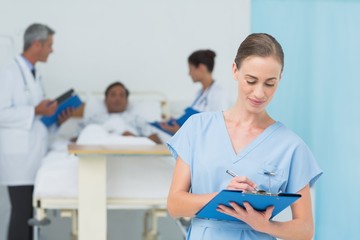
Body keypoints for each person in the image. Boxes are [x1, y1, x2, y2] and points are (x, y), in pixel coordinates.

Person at [166, 33, 323, 239]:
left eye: (270, 83)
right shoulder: (198, 128)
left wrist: (266, 226)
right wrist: (222, 198)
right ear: (235, 71)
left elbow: (305, 230)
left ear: (280, 79)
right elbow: (175, 205)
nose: (259, 93)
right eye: (251, 80)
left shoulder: (291, 146)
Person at [0, 23, 71, 240]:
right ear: (37, 44)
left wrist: (56, 120)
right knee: (22, 213)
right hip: (18, 159)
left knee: (29, 215)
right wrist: (34, 110)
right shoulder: (8, 73)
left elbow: (37, 119)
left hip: (33, 154)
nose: (52, 50)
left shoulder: (34, 75)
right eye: (49, 45)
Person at [159, 49, 229, 135]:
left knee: (154, 136)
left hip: (199, 141)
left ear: (201, 68)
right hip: (187, 136)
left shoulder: (218, 93)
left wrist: (181, 131)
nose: (189, 73)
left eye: (190, 69)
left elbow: (218, 127)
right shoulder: (199, 93)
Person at [83, 81, 162, 144]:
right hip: (97, 153)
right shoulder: (93, 120)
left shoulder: (136, 119)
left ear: (127, 101)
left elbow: (156, 140)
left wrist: (134, 139)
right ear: (105, 100)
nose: (117, 99)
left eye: (121, 95)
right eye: (113, 95)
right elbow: (75, 141)